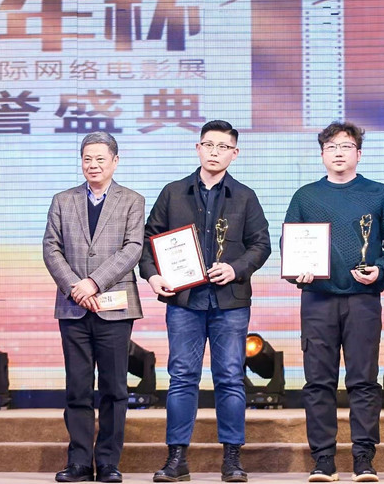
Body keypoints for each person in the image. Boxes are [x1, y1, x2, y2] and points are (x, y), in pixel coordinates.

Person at [139, 120, 271, 483]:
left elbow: (261, 244)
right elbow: (149, 240)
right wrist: (152, 275)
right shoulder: (173, 193)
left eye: (222, 147)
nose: (214, 152)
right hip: (185, 301)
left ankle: (232, 459)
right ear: (197, 148)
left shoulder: (245, 196)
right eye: (208, 145)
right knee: (182, 377)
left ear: (234, 153)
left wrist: (236, 268)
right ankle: (176, 458)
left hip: (230, 302)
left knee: (230, 377)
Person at [284, 121, 384, 483]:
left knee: (364, 380)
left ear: (359, 153)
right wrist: (296, 272)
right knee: (317, 382)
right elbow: (290, 244)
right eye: (331, 147)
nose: (338, 153)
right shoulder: (305, 196)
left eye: (346, 147)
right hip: (317, 300)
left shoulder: (379, 193)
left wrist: (382, 270)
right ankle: (323, 459)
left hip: (363, 300)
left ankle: (363, 457)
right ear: (322, 154)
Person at [43, 131, 145, 483]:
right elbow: (51, 248)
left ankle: (109, 463)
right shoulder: (62, 200)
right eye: (87, 158)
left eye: (101, 158)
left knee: (115, 389)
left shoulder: (132, 200)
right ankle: (79, 462)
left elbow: (133, 248)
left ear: (115, 161)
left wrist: (94, 282)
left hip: (115, 308)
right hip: (73, 306)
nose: (93, 165)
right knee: (78, 387)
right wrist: (76, 287)